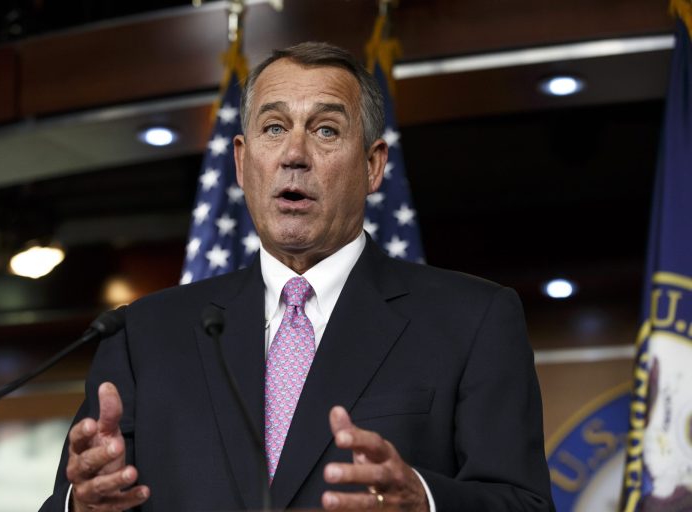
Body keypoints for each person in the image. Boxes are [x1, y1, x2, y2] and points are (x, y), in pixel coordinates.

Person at [40, 42, 554, 512]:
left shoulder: (473, 320)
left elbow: (525, 504)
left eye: (326, 130)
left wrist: (424, 499)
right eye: (274, 128)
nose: (294, 155)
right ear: (242, 163)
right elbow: (75, 497)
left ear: (374, 166)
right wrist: (80, 506)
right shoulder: (144, 334)